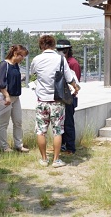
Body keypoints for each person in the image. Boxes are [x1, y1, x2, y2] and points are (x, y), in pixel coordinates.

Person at [30, 35, 81, 168]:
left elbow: (32, 73)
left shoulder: (36, 59)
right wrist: (76, 87)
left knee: (41, 131)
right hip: (57, 101)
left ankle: (44, 159)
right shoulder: (60, 59)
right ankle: (56, 160)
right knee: (57, 131)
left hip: (42, 100)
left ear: (41, 46)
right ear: (53, 45)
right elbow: (69, 78)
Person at [0, 44, 30, 153]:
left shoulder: (16, 65)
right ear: (16, 54)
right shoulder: (3, 65)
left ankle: (18, 145)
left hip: (16, 97)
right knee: (4, 123)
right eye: (22, 56)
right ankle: (4, 146)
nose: (23, 59)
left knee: (18, 122)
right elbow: (0, 83)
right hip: (6, 97)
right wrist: (6, 96)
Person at [56, 39, 81, 154]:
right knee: (59, 122)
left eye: (63, 50)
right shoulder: (57, 61)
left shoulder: (73, 63)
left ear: (68, 50)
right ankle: (61, 145)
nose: (61, 52)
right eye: (59, 50)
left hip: (69, 97)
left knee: (68, 123)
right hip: (59, 96)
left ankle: (70, 147)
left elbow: (76, 81)